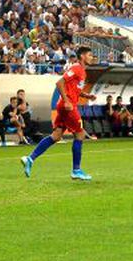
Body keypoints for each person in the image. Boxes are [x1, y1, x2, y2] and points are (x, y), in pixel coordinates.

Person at [21, 47, 98, 181]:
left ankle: (30, 158)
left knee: (56, 136)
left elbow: (73, 88)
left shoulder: (82, 71)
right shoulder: (77, 68)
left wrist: (86, 95)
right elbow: (59, 82)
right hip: (68, 106)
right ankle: (76, 170)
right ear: (82, 56)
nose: (92, 57)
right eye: (90, 55)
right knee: (79, 134)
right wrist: (67, 101)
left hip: (64, 105)